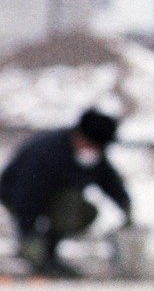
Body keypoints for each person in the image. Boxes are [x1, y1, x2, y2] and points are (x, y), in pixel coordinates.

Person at [0, 108, 133, 277]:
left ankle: (49, 254)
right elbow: (25, 194)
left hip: (57, 199)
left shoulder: (89, 154)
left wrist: (124, 204)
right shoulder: (47, 152)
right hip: (17, 193)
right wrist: (28, 234)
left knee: (82, 210)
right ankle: (35, 256)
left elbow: (108, 179)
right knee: (35, 241)